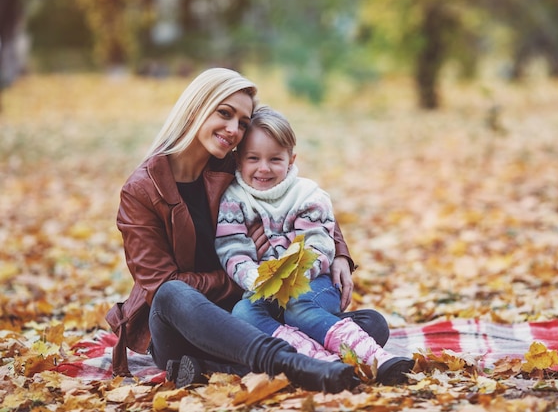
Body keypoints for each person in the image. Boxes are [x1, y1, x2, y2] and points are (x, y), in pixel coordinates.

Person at [105, 68, 390, 391]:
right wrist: (247, 277)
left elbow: (301, 198)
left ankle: (216, 368)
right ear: (196, 108)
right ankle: (289, 362)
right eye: (224, 114)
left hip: (251, 313)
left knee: (372, 324)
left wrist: (340, 253)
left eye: (242, 122)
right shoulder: (142, 190)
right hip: (186, 327)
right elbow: (161, 284)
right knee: (173, 295)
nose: (233, 130)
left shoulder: (236, 163)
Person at [215, 106, 414, 385]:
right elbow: (232, 248)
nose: (264, 168)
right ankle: (316, 362)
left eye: (275, 159)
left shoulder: (307, 195)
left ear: (291, 159)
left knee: (298, 306)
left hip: (311, 284)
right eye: (253, 158)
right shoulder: (233, 200)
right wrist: (253, 277)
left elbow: (318, 245)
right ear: (238, 160)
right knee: (243, 313)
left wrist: (292, 276)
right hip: (262, 288)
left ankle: (374, 358)